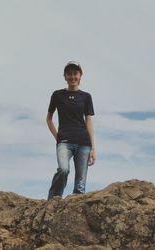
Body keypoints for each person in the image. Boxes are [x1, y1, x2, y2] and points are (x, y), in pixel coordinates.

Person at [46, 61, 96, 200]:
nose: (72, 76)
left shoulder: (86, 97)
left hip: (83, 143)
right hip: (65, 142)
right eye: (69, 74)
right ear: (65, 76)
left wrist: (93, 148)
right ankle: (53, 201)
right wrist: (57, 137)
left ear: (80, 76)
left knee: (80, 184)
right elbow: (49, 119)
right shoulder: (57, 95)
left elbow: (89, 121)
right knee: (63, 170)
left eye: (75, 73)